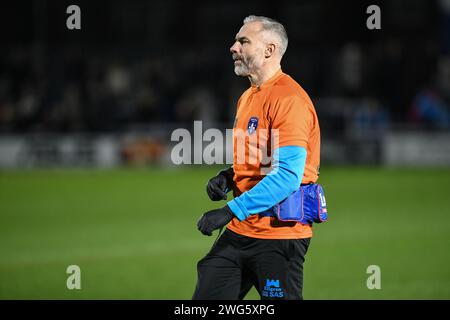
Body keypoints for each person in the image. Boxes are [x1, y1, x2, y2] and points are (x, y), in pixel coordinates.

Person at [193, 15, 321, 300]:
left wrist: (229, 211)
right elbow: (258, 160)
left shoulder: (290, 99)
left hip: (279, 236)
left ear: (269, 50)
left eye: (243, 41)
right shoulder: (248, 97)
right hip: (242, 231)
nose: (233, 47)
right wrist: (228, 176)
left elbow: (288, 176)